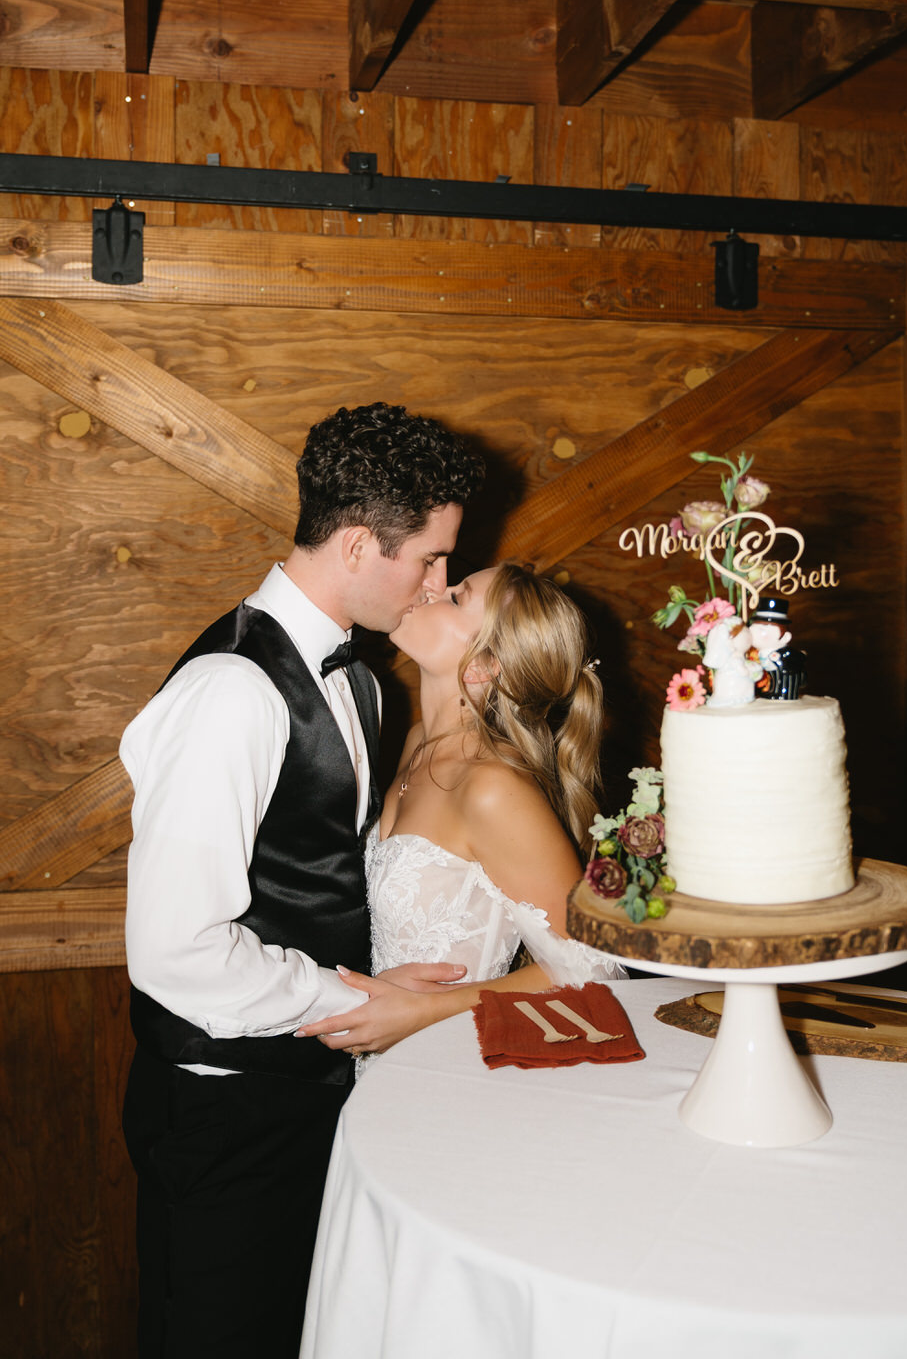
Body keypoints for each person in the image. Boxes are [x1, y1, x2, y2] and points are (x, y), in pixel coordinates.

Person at [119, 402, 485, 1359]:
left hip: (314, 1088)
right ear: (361, 544)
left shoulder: (362, 681)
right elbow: (175, 949)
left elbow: (325, 878)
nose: (438, 582)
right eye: (431, 559)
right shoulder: (230, 692)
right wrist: (350, 999)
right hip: (226, 1108)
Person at [297, 562, 623, 1061]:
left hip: (455, 1062)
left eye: (454, 596)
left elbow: (595, 966)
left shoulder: (490, 787)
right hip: (386, 1069)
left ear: (482, 665)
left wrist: (423, 1013)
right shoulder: (415, 742)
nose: (429, 587)